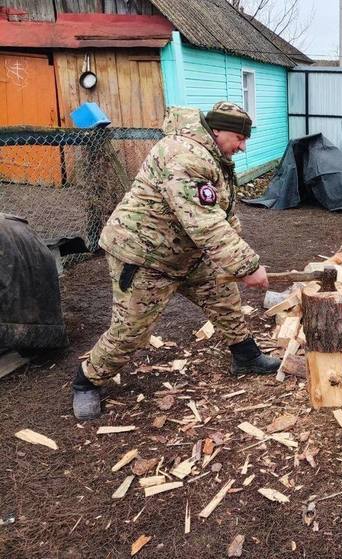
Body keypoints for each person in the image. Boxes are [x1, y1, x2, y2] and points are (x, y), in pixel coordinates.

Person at [72, 101, 280, 420]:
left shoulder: (213, 156)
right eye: (240, 138)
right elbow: (204, 222)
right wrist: (247, 266)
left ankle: (246, 356)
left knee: (224, 298)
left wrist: (240, 259)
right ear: (219, 130)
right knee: (131, 331)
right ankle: (87, 381)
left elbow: (221, 216)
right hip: (143, 255)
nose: (243, 145)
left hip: (185, 252)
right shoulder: (185, 157)